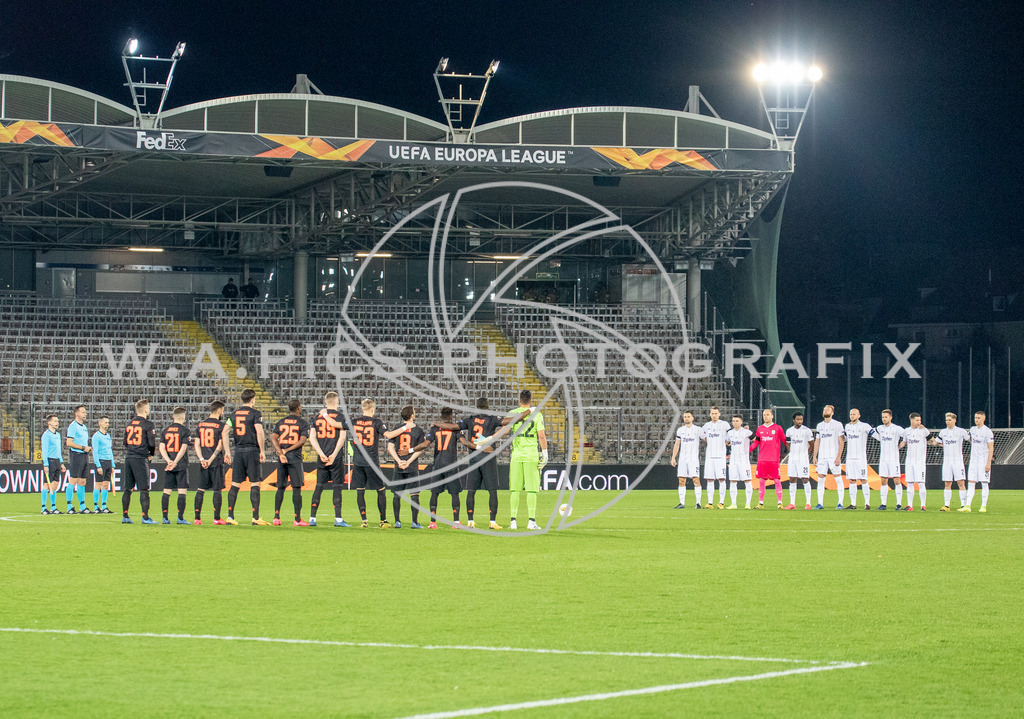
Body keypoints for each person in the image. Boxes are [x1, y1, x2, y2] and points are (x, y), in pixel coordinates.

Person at [348, 398, 406, 528]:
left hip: (357, 462)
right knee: (380, 490)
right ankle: (383, 520)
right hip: (372, 462)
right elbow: (389, 435)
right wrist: (405, 427)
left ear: (362, 408)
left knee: (360, 490)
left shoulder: (354, 422)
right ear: (373, 409)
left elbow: (338, 424)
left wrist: (324, 414)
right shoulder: (376, 422)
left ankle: (364, 521)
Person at [500, 389, 548, 530]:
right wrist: (545, 454)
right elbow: (541, 436)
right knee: (532, 490)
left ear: (519, 400)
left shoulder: (513, 413)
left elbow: (506, 431)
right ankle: (531, 521)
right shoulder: (537, 415)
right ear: (531, 400)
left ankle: (513, 522)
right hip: (531, 455)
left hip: (516, 455)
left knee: (515, 489)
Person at [222, 388, 268, 526]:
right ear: (253, 400)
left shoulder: (234, 414)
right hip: (252, 451)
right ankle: (255, 517)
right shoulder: (255, 414)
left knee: (235, 484)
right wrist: (262, 450)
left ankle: (230, 516)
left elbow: (224, 432)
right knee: (255, 483)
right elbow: (259, 432)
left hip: (238, 452)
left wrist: (227, 452)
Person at [413, 407, 464, 529]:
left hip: (438, 465)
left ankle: (432, 522)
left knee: (435, 493)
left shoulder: (435, 428)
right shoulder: (456, 429)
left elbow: (425, 444)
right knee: (455, 493)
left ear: (441, 416)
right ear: (451, 416)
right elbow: (464, 442)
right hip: (451, 465)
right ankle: (456, 522)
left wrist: (411, 450)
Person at [458, 397, 504, 529]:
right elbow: (507, 422)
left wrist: (439, 424)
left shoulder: (470, 419)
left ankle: (470, 521)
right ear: (488, 407)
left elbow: (455, 426)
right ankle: (492, 521)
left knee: (471, 490)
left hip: (474, 457)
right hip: (487, 458)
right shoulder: (492, 419)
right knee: (492, 490)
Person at [308, 392, 347, 527]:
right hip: (335, 457)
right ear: (337, 402)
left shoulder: (317, 418)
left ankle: (312, 518)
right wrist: (334, 455)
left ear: (325, 402)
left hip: (322, 457)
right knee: (337, 487)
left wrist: (320, 453)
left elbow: (312, 437)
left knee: (319, 486)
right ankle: (338, 519)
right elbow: (342, 438)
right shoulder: (341, 417)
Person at [269, 400, 310, 526]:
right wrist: (287, 450)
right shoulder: (302, 423)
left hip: (282, 458)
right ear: (298, 408)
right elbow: (302, 440)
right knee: (296, 488)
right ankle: (297, 519)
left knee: (280, 487)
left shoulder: (281, 422)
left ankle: (276, 517)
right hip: (294, 458)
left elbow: (273, 437)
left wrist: (280, 452)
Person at [388, 405, 426, 529]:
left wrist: (399, 461)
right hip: (412, 466)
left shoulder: (397, 429)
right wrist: (408, 461)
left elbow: (390, 448)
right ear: (412, 415)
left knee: (397, 495)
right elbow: (420, 449)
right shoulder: (418, 431)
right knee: (414, 494)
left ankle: (397, 521)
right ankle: (414, 522)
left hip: (398, 467)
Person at [122, 399, 157, 524]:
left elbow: (125, 442)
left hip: (129, 457)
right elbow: (152, 443)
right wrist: (150, 454)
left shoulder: (129, 423)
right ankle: (145, 517)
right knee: (144, 489)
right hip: (140, 458)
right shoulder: (148, 424)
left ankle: (125, 516)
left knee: (128, 488)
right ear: (146, 410)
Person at [193, 400, 227, 525]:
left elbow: (196, 444)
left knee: (200, 489)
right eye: (222, 410)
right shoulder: (221, 426)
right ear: (219, 410)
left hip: (203, 463)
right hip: (216, 461)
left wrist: (202, 459)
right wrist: (210, 459)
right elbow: (220, 445)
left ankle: (197, 518)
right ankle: (217, 518)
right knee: (217, 490)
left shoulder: (201, 425)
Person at [158, 407, 191, 525]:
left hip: (169, 465)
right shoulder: (185, 431)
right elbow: (183, 448)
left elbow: (161, 448)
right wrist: (175, 462)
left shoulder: (165, 430)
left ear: (173, 416)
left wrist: (169, 461)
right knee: (181, 491)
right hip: (181, 464)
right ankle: (180, 518)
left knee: (167, 491)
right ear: (183, 417)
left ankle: (165, 518)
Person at [749, 408, 787, 509]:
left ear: (772, 416)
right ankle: (761, 503)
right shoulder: (760, 429)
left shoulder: (778, 428)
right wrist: (747, 450)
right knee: (761, 481)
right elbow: (756, 442)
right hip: (762, 460)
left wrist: (791, 450)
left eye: (767, 415)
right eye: (764, 415)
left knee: (777, 480)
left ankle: (780, 502)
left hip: (774, 460)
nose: (765, 417)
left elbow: (784, 440)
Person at [931, 412, 969, 512]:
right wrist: (927, 436)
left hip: (958, 461)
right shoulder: (943, 432)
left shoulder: (961, 431)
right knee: (947, 483)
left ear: (954, 420)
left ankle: (963, 505)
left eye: (949, 420)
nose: (948, 422)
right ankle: (946, 505)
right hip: (947, 461)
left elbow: (970, 440)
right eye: (946, 420)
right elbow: (935, 443)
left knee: (961, 482)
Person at [869, 409, 904, 510]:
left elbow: (906, 436)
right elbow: (872, 433)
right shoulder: (880, 428)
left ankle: (898, 504)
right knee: (883, 480)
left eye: (886, 417)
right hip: (883, 459)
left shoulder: (897, 429)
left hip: (893, 459)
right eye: (883, 417)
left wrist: (901, 445)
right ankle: (883, 504)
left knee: (896, 480)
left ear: (890, 417)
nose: (884, 419)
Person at [812, 405, 846, 510]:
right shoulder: (819, 426)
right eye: (824, 409)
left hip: (833, 456)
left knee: (838, 478)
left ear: (832, 412)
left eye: (827, 409)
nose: (825, 411)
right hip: (822, 457)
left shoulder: (838, 425)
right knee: (821, 479)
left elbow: (841, 441)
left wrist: (838, 457)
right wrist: (814, 456)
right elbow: (817, 441)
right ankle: (820, 503)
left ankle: (840, 503)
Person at [670, 411, 704, 508]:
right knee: (681, 480)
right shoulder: (680, 430)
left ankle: (698, 503)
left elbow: (706, 440)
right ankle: (682, 503)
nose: (686, 418)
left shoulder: (698, 430)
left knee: (696, 480)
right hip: (683, 460)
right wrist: (673, 458)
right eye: (685, 417)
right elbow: (677, 444)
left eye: (688, 416)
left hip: (693, 460)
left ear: (692, 418)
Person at [964, 410, 994, 513]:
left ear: (983, 419)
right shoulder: (972, 429)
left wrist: (988, 462)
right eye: (975, 418)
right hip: (973, 461)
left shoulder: (987, 431)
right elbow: (968, 438)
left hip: (983, 461)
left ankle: (983, 506)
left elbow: (991, 448)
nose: (976, 420)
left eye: (978, 418)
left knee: (984, 483)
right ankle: (967, 505)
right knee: (971, 483)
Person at [843, 409, 873, 510]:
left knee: (863, 479)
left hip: (861, 458)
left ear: (859, 415)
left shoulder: (865, 426)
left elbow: (875, 435)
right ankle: (853, 504)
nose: (852, 416)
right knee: (852, 480)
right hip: (850, 458)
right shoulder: (847, 427)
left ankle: (867, 503)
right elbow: (844, 439)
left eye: (854, 414)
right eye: (850, 414)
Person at [899, 412, 930, 511]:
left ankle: (923, 505)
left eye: (920, 420)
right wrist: (897, 448)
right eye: (917, 420)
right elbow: (904, 442)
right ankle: (909, 505)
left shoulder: (924, 431)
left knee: (921, 483)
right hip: (909, 461)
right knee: (910, 483)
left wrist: (938, 443)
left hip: (920, 462)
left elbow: (931, 440)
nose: (919, 422)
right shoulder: (906, 431)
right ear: (911, 420)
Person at [701, 406, 730, 509]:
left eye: (715, 413)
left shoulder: (724, 424)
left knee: (721, 479)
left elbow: (729, 436)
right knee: (710, 480)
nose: (714, 415)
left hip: (720, 457)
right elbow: (703, 436)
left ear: (719, 414)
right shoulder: (706, 426)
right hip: (710, 457)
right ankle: (710, 502)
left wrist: (726, 443)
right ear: (710, 414)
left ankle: (721, 502)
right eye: (712, 413)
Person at [65, 405, 92, 514]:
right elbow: (69, 443)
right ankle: (69, 506)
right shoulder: (73, 426)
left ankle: (82, 506)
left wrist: (87, 448)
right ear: (77, 414)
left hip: (84, 455)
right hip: (76, 454)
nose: (85, 414)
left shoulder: (83, 427)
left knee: (82, 481)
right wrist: (82, 447)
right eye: (83, 412)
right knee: (74, 479)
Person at [784, 412, 814, 509]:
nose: (800, 421)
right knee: (792, 479)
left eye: (801, 419)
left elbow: (811, 444)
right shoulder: (789, 431)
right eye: (798, 419)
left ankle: (808, 503)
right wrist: (791, 451)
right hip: (793, 458)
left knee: (805, 479)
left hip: (803, 459)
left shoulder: (807, 431)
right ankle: (792, 503)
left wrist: (806, 453)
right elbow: (787, 443)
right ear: (794, 420)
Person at [725, 415, 753, 509]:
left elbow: (755, 439)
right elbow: (727, 442)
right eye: (733, 421)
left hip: (744, 460)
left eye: (737, 421)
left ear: (741, 422)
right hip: (733, 460)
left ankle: (748, 503)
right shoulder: (730, 433)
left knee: (747, 481)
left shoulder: (746, 432)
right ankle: (733, 504)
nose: (735, 423)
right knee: (733, 481)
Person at [40, 414, 65, 515]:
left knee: (55, 484)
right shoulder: (46, 435)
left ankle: (53, 507)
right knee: (47, 484)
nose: (57, 423)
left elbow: (58, 450)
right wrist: (45, 464)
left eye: (57, 421)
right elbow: (44, 450)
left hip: (57, 461)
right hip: (49, 461)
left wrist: (61, 462)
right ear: (49, 423)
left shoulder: (58, 435)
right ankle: (43, 507)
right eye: (55, 421)